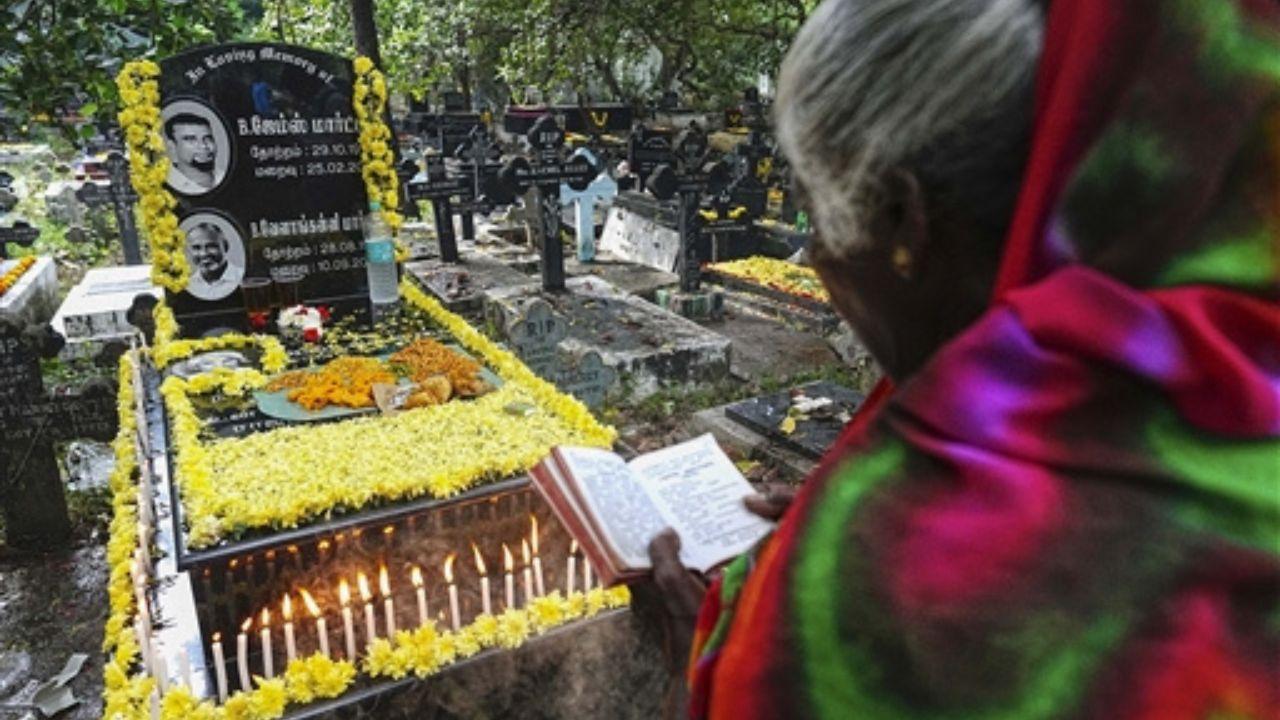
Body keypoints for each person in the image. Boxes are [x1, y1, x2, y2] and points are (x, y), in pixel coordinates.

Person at [645, 0, 1280, 718]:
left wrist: (701, 650)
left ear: (901, 220)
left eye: (817, 227)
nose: (819, 261)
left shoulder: (870, 599)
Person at [184, 221, 243, 301]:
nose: (204, 254)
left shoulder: (241, 277)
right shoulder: (188, 285)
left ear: (226, 246)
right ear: (188, 252)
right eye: (196, 248)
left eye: (211, 246)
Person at [164, 112, 220, 194]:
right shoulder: (165, 188)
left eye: (208, 138)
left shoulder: (228, 177)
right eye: (191, 139)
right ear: (172, 147)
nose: (203, 145)